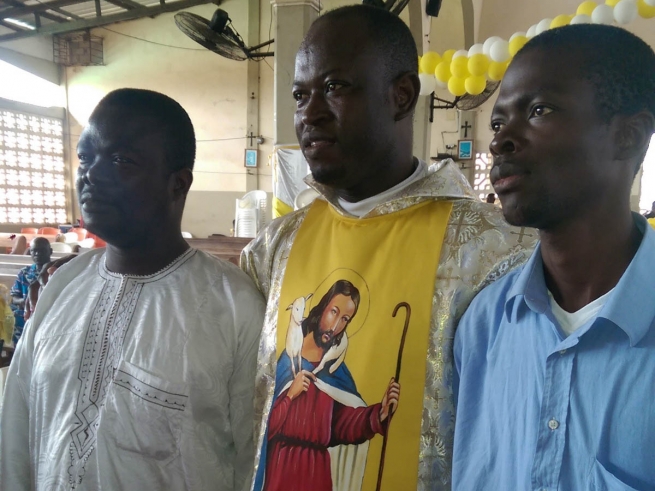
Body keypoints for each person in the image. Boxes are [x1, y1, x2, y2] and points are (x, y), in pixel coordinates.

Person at [240, 5, 535, 490]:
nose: (310, 113)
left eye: (335, 88)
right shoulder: (275, 245)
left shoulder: (493, 249)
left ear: (401, 95)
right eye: (300, 94)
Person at [0, 89, 265, 491]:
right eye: (85, 158)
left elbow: (255, 460)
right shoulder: (63, 287)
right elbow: (18, 429)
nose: (91, 174)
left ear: (178, 183)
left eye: (122, 160)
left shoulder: (235, 306)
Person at [452, 24, 655, 490]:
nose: (499, 142)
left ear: (627, 136)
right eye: (498, 123)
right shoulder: (486, 327)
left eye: (539, 110)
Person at [9, 237, 51, 345]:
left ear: (50, 251)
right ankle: (19, 353)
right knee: (12, 317)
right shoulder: (25, 272)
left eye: (42, 250)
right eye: (34, 251)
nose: (37, 253)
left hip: (49, 314)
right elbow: (13, 297)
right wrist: (23, 301)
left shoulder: (57, 272)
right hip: (27, 314)